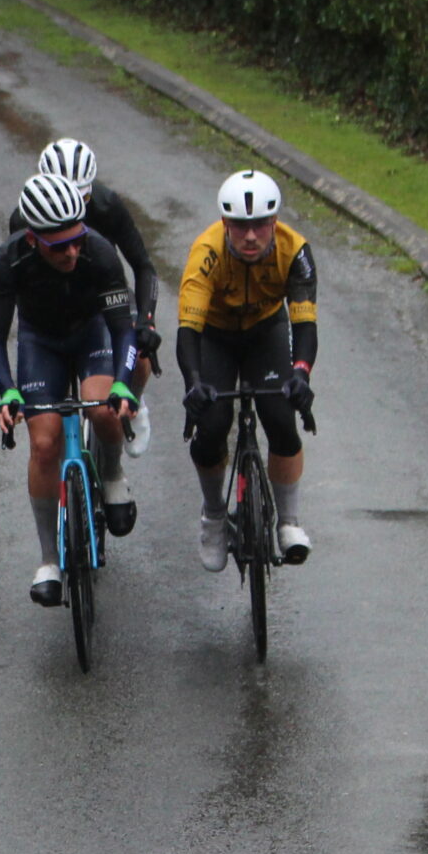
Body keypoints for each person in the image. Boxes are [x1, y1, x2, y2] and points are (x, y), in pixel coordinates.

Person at [0, 174, 143, 605]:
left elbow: (123, 330)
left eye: (76, 240)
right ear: (33, 240)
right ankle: (49, 559)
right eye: (59, 246)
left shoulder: (100, 252)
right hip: (41, 342)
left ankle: (112, 474)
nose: (72, 252)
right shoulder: (9, 260)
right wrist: (7, 391)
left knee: (104, 409)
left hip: (92, 334)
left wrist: (123, 384)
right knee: (44, 443)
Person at [177, 169, 317, 569]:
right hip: (215, 336)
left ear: (275, 222)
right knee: (212, 425)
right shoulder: (205, 253)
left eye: (260, 225)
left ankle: (288, 521)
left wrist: (301, 372)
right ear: (225, 223)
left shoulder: (295, 251)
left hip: (265, 331)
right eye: (240, 226)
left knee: (281, 418)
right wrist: (194, 384)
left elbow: (305, 324)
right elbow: (188, 332)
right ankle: (213, 515)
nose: (251, 236)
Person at [7, 139, 161, 456]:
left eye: (83, 197)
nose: (74, 207)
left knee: (138, 346)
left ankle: (134, 398)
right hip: (54, 302)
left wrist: (147, 319)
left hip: (104, 291)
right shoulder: (23, 218)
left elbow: (143, 266)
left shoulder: (107, 205)